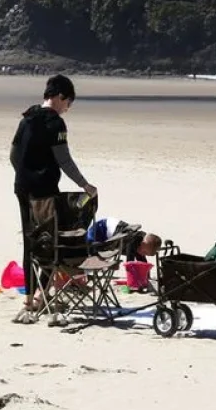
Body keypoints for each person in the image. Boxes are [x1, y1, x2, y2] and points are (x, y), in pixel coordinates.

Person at [9, 74, 98, 324]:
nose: (67, 108)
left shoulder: (27, 118)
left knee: (31, 242)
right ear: (59, 97)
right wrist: (85, 185)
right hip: (44, 191)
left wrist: (24, 174)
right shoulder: (55, 123)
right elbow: (64, 160)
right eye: (68, 103)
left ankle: (30, 300)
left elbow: (13, 154)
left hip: (22, 188)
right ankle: (39, 297)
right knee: (52, 243)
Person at [87, 216, 162, 262]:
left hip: (113, 232)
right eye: (144, 252)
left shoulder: (141, 244)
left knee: (137, 252)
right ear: (142, 243)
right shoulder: (133, 241)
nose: (143, 254)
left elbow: (142, 262)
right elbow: (129, 263)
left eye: (146, 253)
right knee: (90, 248)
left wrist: (146, 275)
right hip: (101, 227)